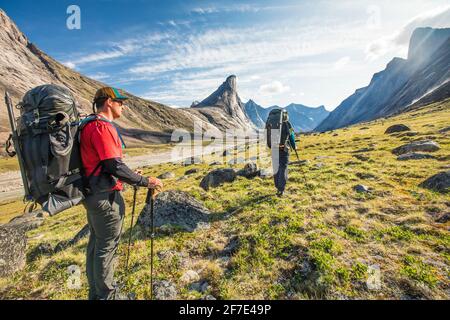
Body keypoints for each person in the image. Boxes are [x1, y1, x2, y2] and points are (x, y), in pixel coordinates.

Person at [79, 87, 163, 300]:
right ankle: (109, 296)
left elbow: (103, 165)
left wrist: (130, 175)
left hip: (93, 194)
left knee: (96, 245)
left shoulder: (88, 124)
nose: (124, 106)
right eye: (120, 102)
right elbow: (113, 165)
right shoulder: (101, 126)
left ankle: (96, 294)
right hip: (105, 197)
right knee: (106, 248)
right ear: (109, 102)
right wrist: (146, 181)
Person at [267, 110, 296, 197]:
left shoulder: (270, 123)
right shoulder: (287, 123)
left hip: (273, 149)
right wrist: (294, 146)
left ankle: (277, 187)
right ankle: (280, 189)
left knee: (276, 167)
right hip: (284, 149)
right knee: (283, 167)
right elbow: (291, 135)